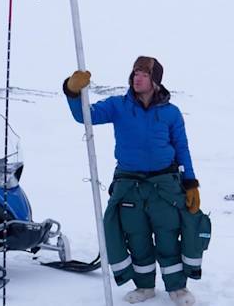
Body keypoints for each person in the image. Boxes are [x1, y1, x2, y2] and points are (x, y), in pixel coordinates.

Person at [63, 56, 202, 306]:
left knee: (168, 237)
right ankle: (145, 287)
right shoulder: (118, 106)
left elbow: (182, 147)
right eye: (135, 73)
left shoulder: (171, 112)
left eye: (144, 74)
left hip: (165, 185)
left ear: (155, 81)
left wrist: (190, 182)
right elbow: (85, 116)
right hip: (129, 184)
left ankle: (177, 289)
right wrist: (72, 92)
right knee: (137, 237)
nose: (137, 77)